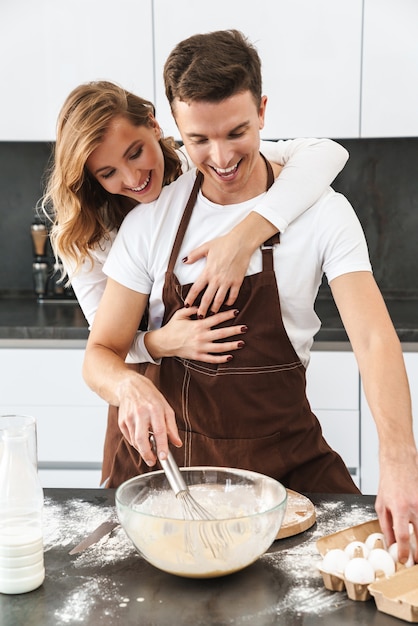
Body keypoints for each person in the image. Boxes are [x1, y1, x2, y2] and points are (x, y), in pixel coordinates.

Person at [83, 30, 418, 562]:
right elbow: (99, 354)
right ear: (175, 131)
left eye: (237, 131)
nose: (220, 158)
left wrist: (400, 462)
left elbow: (375, 339)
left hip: (287, 466)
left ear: (263, 111)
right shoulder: (150, 224)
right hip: (179, 479)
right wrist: (128, 385)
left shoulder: (324, 213)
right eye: (198, 141)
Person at [42, 80, 349, 364]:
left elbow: (326, 152)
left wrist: (244, 238)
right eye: (108, 173)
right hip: (140, 383)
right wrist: (162, 342)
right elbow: (108, 348)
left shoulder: (202, 162)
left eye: (135, 153)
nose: (133, 178)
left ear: (153, 124)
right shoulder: (86, 238)